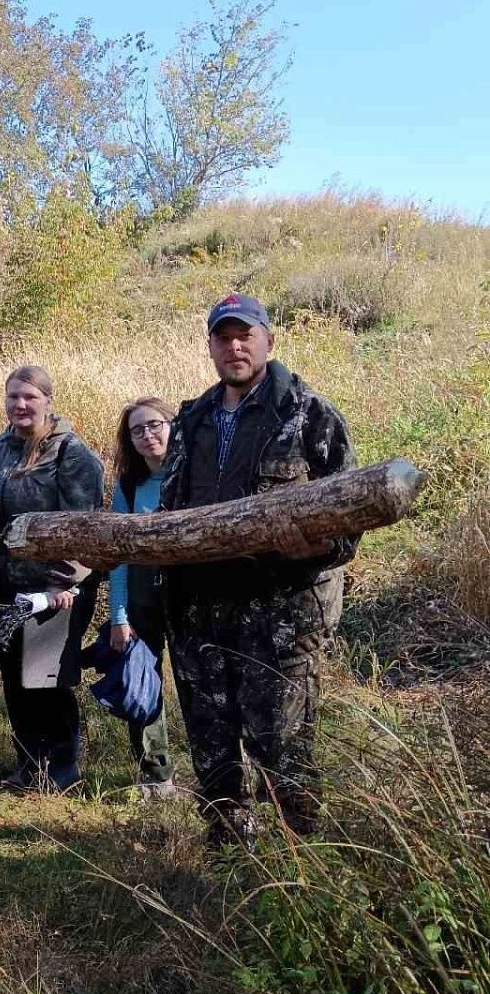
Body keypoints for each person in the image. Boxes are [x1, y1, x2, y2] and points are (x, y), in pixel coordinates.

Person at [160, 293, 358, 844]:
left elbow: (349, 521)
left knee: (284, 748)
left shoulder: (309, 413)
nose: (235, 346)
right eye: (223, 337)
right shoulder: (192, 420)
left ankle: (305, 867)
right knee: (213, 750)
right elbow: (169, 517)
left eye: (245, 334)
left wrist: (312, 547)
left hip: (278, 616)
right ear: (210, 347)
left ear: (269, 339)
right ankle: (232, 862)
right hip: (199, 615)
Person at [0, 365, 104, 791]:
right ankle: (29, 765)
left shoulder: (72, 454)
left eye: (29, 397)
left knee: (47, 678)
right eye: (13, 396)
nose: (20, 404)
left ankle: (62, 770)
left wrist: (62, 585)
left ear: (48, 400)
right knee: (14, 678)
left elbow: (83, 526)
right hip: (1, 588)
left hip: (54, 591)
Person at [108, 396, 179, 797]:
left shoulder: (194, 476)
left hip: (191, 601)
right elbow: (116, 557)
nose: (148, 435)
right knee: (142, 686)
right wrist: (119, 616)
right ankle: (156, 775)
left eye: (155, 425)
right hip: (141, 601)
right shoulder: (129, 486)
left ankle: (223, 771)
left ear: (172, 425)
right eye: (137, 430)